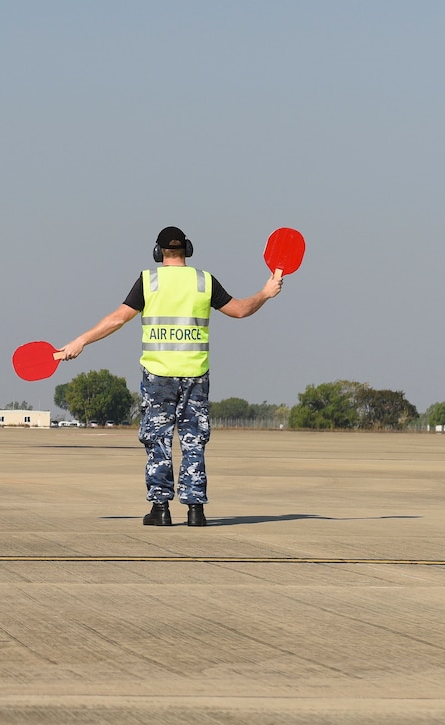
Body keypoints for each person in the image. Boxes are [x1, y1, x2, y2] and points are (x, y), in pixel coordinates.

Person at [53, 226, 283, 527]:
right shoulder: (204, 281)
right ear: (187, 249)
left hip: (158, 375)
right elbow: (240, 311)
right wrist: (266, 293)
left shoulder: (148, 281)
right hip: (195, 374)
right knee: (193, 441)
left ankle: (160, 508)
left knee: (157, 440)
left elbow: (117, 319)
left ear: (158, 252)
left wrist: (81, 340)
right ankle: (195, 510)